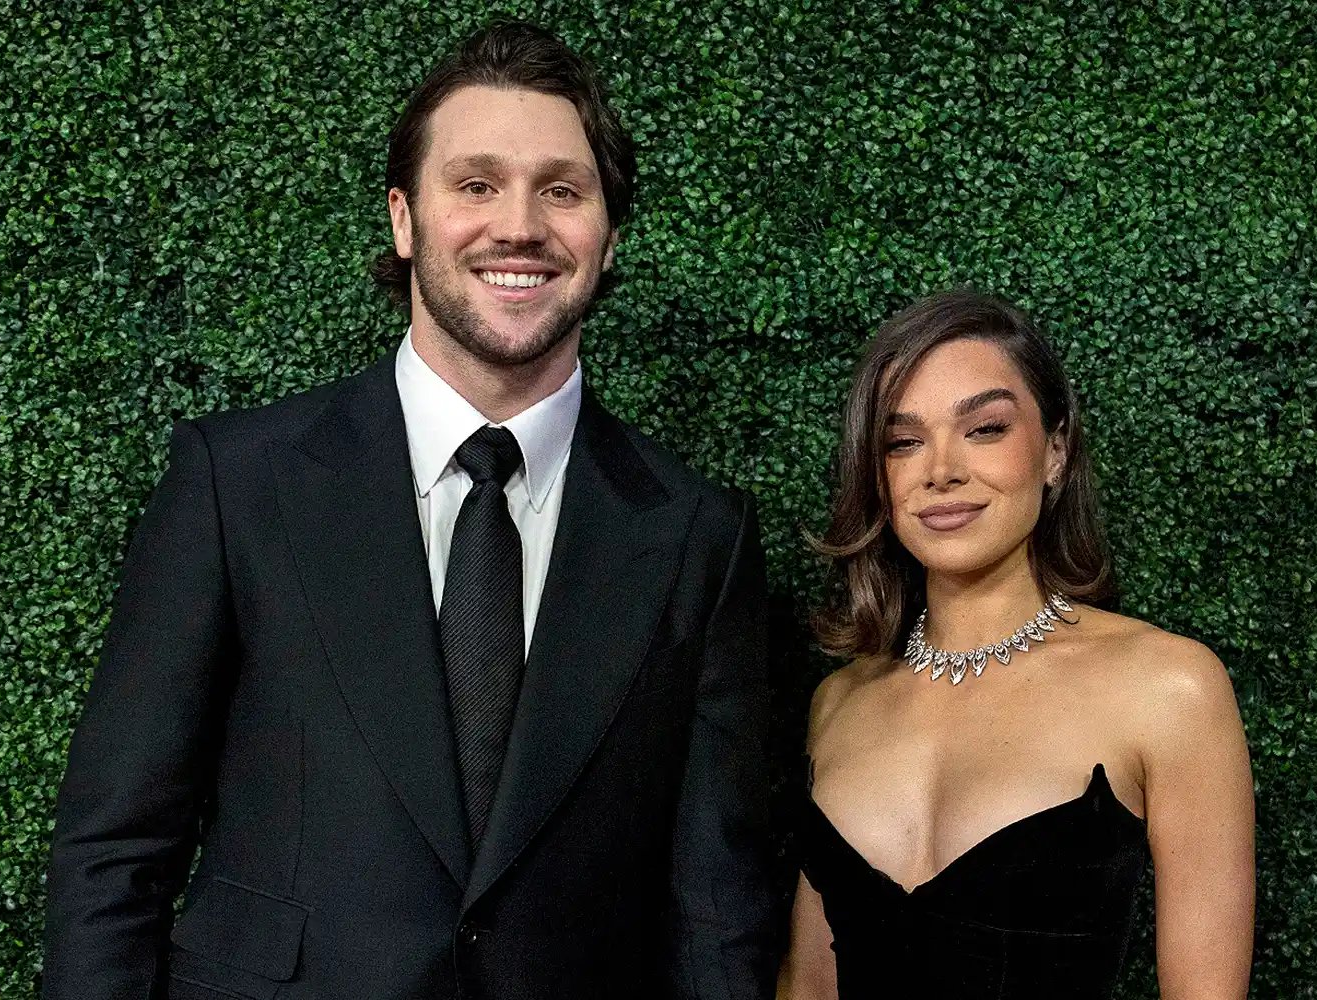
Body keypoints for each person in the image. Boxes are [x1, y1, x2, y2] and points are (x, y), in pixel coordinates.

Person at [43, 22, 778, 1000]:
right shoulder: (236, 483)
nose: (518, 224)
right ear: (404, 220)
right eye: (475, 184)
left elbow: (715, 921)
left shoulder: (699, 540)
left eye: (561, 189)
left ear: (607, 240)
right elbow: (116, 851)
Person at [779, 291, 1255, 999]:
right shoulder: (840, 702)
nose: (940, 470)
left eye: (985, 429)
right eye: (902, 441)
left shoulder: (1168, 688)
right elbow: (809, 986)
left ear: (1056, 450)